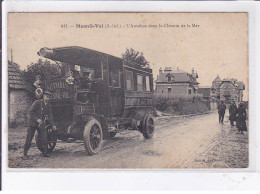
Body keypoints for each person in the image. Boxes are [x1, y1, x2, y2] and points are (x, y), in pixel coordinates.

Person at [23, 91, 57, 159]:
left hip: (41, 124)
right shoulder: (37, 102)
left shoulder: (49, 105)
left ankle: (44, 153)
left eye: (49, 97)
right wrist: (37, 119)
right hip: (33, 123)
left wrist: (53, 125)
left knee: (44, 138)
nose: (48, 98)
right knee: (29, 138)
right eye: (47, 97)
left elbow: (50, 116)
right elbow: (31, 112)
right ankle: (25, 154)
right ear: (44, 96)